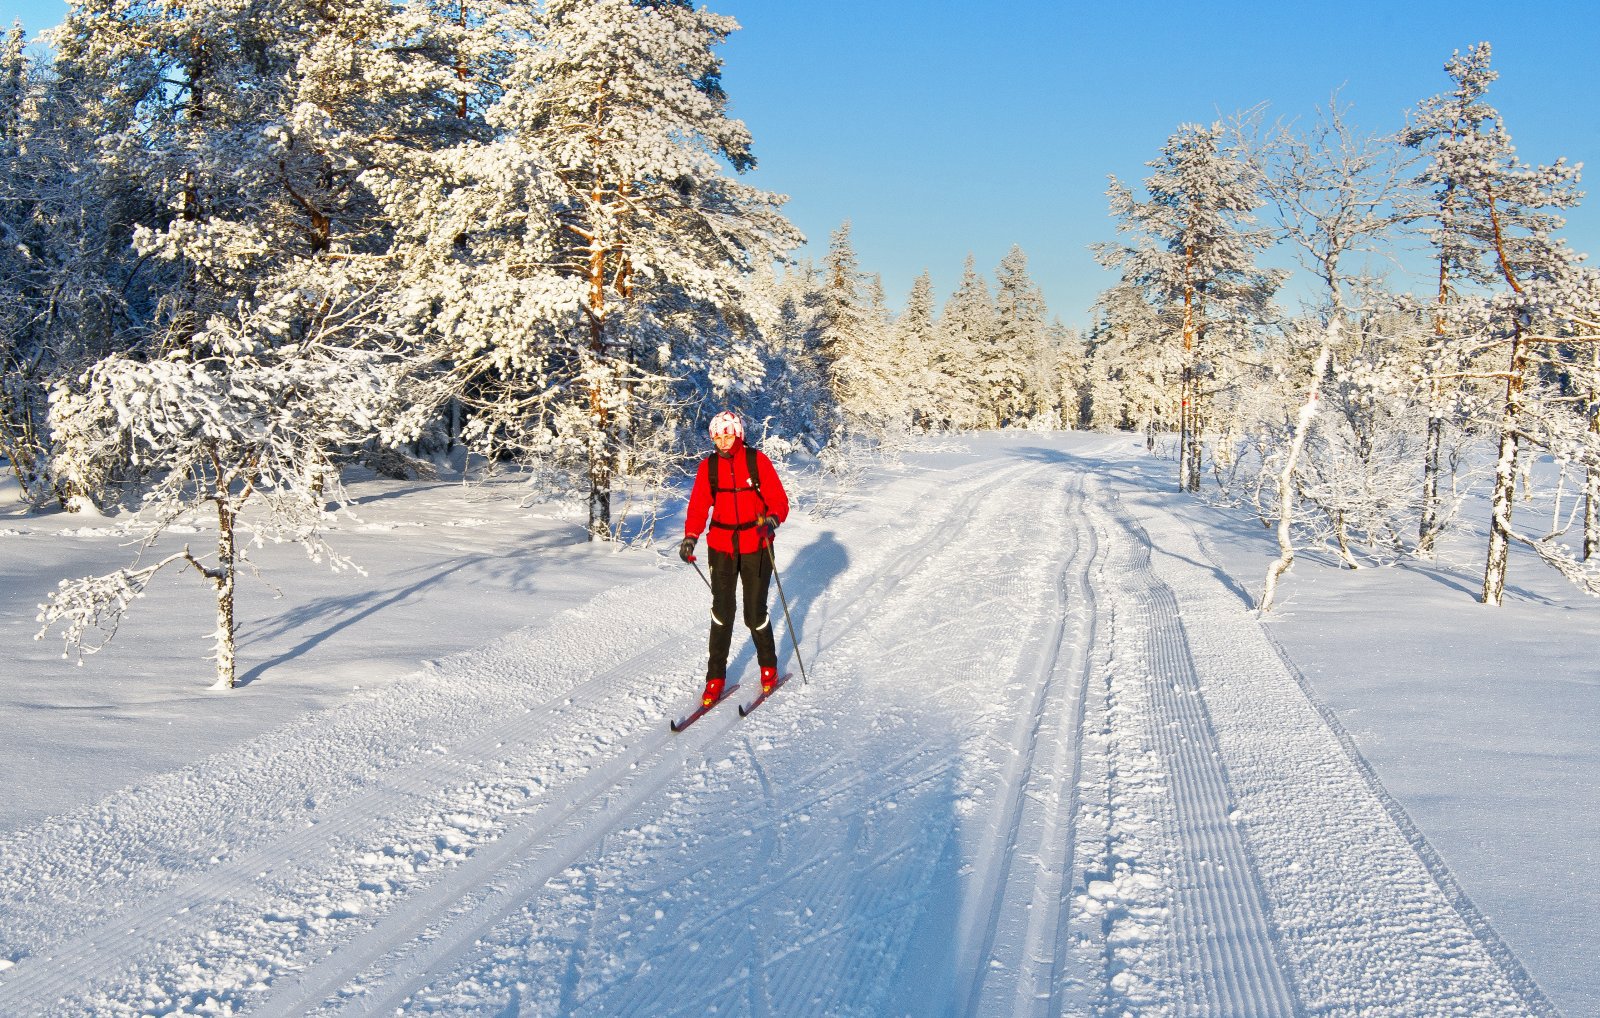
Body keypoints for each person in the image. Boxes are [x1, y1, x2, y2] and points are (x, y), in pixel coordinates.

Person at [679, 411, 789, 707]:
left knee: (754, 613)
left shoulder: (756, 461)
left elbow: (779, 499)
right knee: (722, 612)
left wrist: (772, 520)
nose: (723, 442)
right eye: (718, 437)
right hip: (721, 546)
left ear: (738, 434)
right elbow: (699, 505)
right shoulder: (709, 467)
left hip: (756, 544)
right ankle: (715, 677)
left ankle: (769, 666)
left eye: (728, 435)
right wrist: (691, 536)